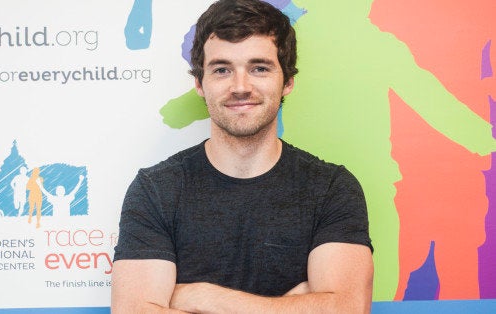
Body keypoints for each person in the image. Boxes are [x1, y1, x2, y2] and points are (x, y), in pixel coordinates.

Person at [111, 0, 374, 312]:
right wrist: (296, 305)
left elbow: (346, 309)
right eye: (222, 70)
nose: (240, 86)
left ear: (287, 81)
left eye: (259, 68)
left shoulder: (331, 189)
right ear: (199, 83)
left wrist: (203, 296)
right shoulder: (156, 190)